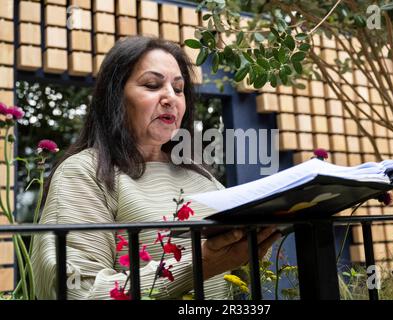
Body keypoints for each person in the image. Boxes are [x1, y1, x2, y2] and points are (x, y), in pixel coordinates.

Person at [31, 36, 280, 300]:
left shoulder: (203, 177)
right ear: (115, 97)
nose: (171, 98)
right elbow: (76, 290)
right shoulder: (83, 173)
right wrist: (202, 263)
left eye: (179, 88)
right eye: (152, 85)